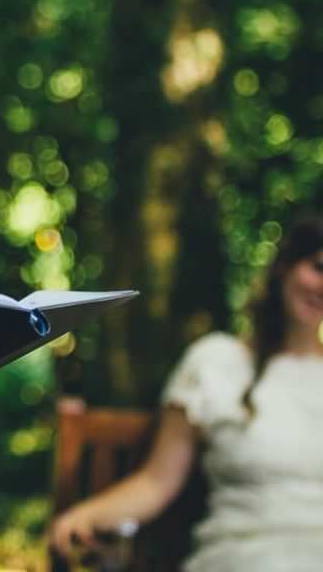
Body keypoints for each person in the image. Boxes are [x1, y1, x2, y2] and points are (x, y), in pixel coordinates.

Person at [50, 216, 323, 572]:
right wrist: (84, 517)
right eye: (318, 267)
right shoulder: (216, 361)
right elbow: (156, 481)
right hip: (244, 559)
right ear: (286, 267)